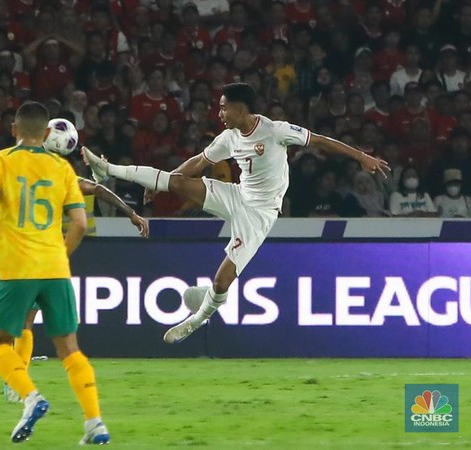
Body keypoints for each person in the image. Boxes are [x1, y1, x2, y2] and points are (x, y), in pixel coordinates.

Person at [82, 82, 390, 344]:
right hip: (236, 196)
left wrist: (362, 157)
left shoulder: (274, 130)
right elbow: (199, 162)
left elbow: (319, 140)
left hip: (260, 215)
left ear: (241, 109)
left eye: (223, 108)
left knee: (220, 283)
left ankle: (197, 320)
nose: (219, 114)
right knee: (176, 180)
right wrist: (165, 184)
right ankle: (106, 168)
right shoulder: (229, 137)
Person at [0, 113, 149, 403]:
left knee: (12, 330)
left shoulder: (7, 159)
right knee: (43, 330)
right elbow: (97, 190)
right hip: (52, 254)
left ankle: (17, 381)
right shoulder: (61, 171)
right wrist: (131, 213)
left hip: (22, 253)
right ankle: (90, 418)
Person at [0, 102, 110, 445]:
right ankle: (94, 422)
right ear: (46, 134)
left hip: (17, 268)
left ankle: (31, 397)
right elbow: (80, 223)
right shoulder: (61, 168)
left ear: (14, 130)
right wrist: (60, 253)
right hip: (56, 269)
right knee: (70, 348)